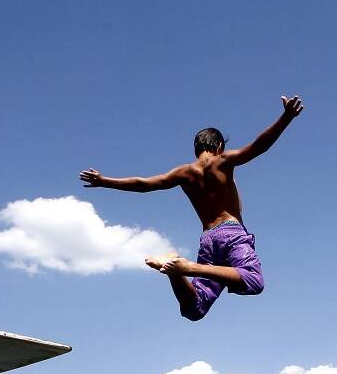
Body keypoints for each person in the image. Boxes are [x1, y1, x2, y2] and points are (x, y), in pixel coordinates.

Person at [80, 95, 305, 321]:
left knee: (193, 309)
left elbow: (144, 184)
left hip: (208, 239)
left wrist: (105, 181)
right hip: (232, 235)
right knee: (253, 280)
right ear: (218, 146)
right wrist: (286, 118)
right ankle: (187, 267)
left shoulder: (183, 173)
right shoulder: (223, 160)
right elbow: (259, 147)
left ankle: (175, 269)